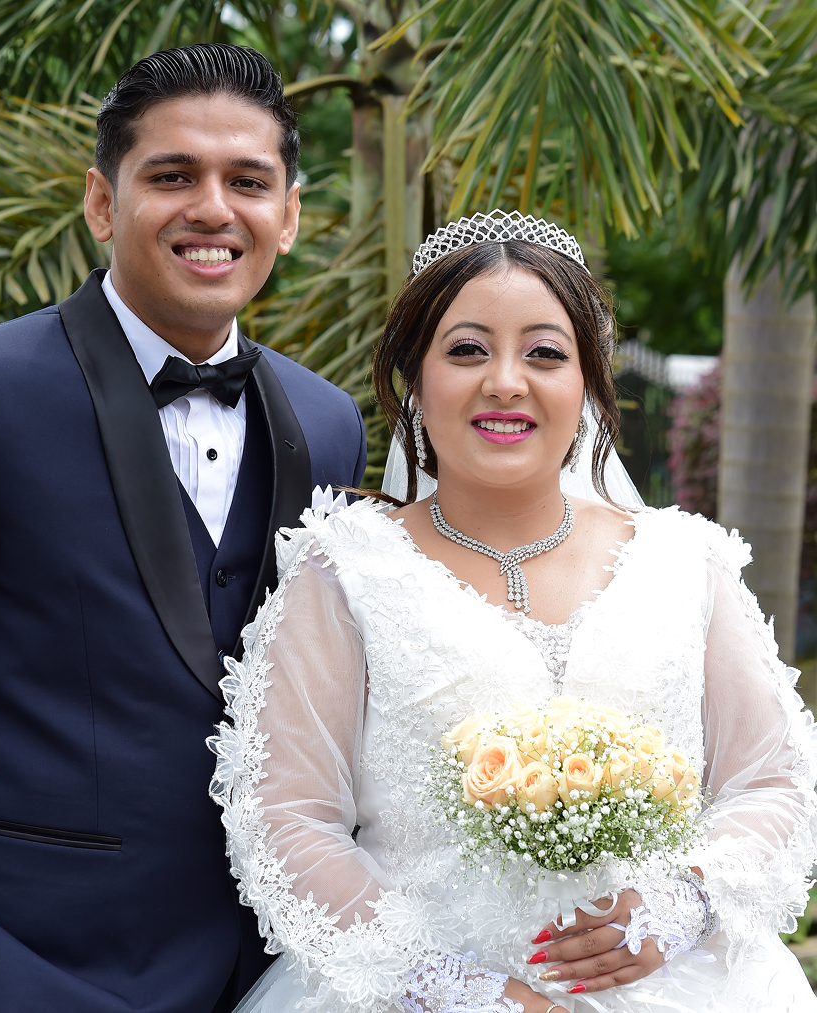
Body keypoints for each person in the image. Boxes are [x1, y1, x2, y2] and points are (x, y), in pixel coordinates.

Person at [0, 43, 365, 1013]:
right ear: (103, 203)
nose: (212, 208)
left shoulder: (327, 422)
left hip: (278, 971)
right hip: (33, 968)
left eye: (247, 180)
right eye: (172, 175)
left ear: (287, 213)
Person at [210, 210, 817, 1013]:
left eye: (544, 352)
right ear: (415, 377)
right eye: (466, 349)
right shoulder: (346, 570)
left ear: (589, 382)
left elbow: (773, 781)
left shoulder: (686, 563)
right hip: (415, 992)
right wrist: (453, 988)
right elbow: (289, 816)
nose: (505, 380)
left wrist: (683, 902)